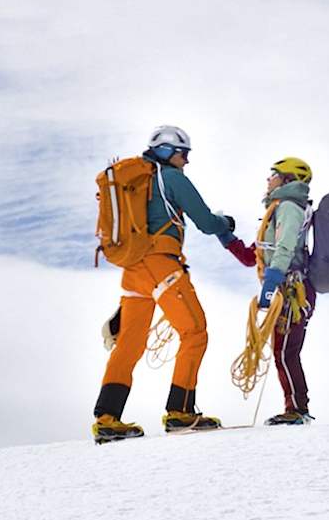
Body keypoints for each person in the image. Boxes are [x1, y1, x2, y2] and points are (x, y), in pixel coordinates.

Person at [92, 125, 236, 443]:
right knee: (195, 331)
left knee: (129, 344)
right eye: (184, 154)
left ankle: (106, 418)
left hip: (133, 271)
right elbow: (206, 221)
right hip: (161, 265)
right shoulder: (171, 179)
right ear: (169, 151)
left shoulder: (138, 183)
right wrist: (226, 224)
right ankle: (181, 411)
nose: (186, 161)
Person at [218, 157, 317, 425]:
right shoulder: (279, 209)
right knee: (284, 351)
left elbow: (284, 248)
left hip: (291, 289)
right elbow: (255, 256)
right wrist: (226, 237)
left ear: (288, 180)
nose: (268, 178)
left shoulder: (289, 208)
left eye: (274, 173)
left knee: (286, 352)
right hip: (289, 288)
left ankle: (297, 409)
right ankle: (296, 407)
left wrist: (272, 282)